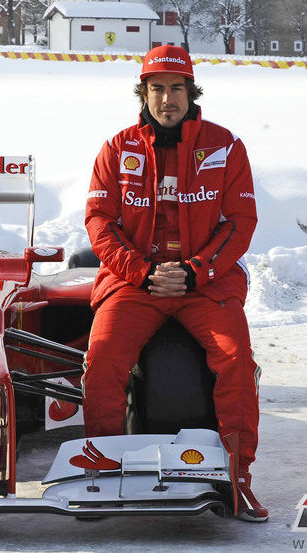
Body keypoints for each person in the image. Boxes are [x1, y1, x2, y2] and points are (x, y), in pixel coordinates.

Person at [82, 45, 266, 522]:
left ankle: (236, 478)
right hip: (134, 283)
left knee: (238, 363)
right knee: (102, 362)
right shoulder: (117, 148)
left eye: (177, 89)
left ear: (191, 92)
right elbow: (100, 222)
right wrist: (140, 271)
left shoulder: (225, 146)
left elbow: (240, 221)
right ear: (143, 94)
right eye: (157, 89)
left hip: (206, 284)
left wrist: (196, 270)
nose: (168, 99)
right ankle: (100, 475)